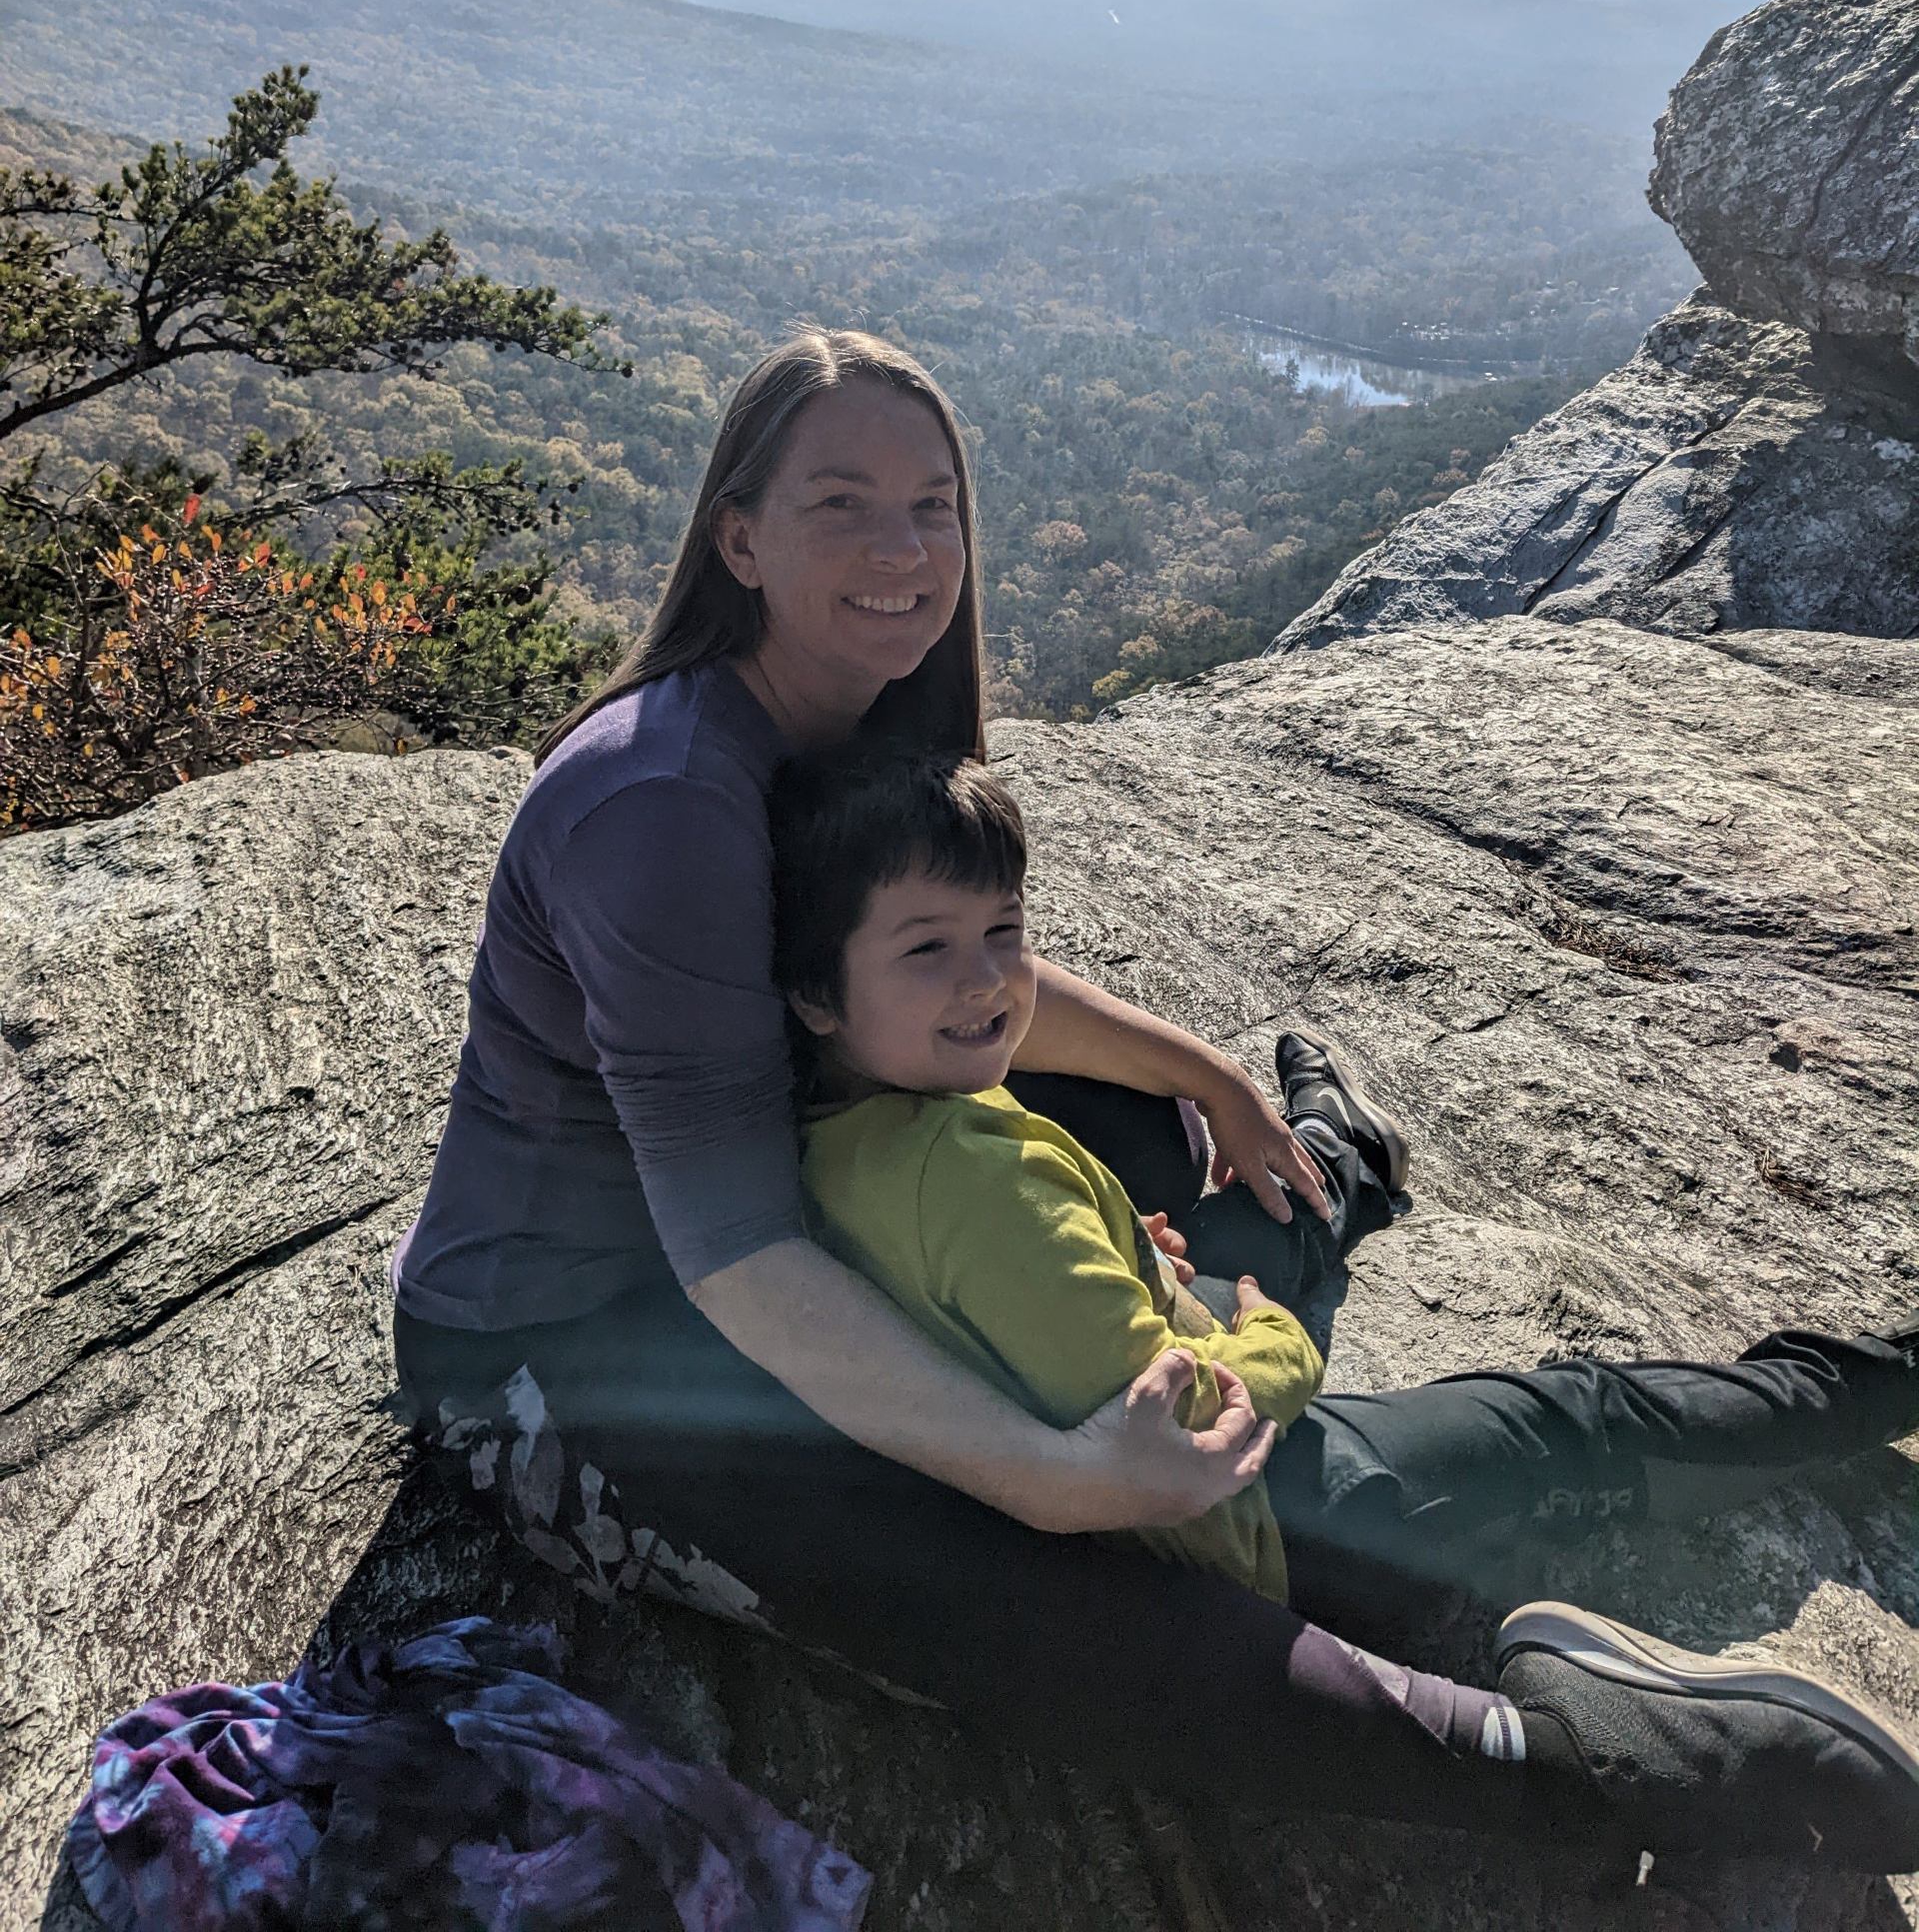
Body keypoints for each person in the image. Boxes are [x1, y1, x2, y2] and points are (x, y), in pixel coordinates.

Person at [392, 327, 1919, 1871]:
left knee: (1153, 1147)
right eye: (841, 502)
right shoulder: (657, 802)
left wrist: (1215, 1086)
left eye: (935, 504)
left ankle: (1328, 1203)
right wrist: (1053, 1480)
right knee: (988, 1574)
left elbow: (939, 990)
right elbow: (737, 1258)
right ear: (736, 537)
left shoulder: (855, 729)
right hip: (574, 1337)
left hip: (827, 1193)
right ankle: (1577, 1762)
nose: (903, 548)